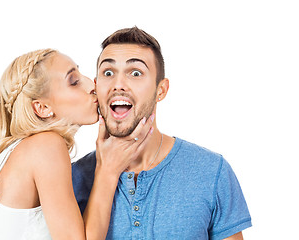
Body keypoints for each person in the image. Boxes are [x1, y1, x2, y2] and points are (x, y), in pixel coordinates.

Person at [72, 27, 252, 240]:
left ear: (161, 90)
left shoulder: (212, 172)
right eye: (108, 73)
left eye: (136, 73)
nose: (118, 85)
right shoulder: (71, 179)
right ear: (96, 86)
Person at [0, 48, 154, 240]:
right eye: (74, 82)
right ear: (42, 108)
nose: (92, 84)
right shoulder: (45, 146)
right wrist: (108, 170)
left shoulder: (22, 151)